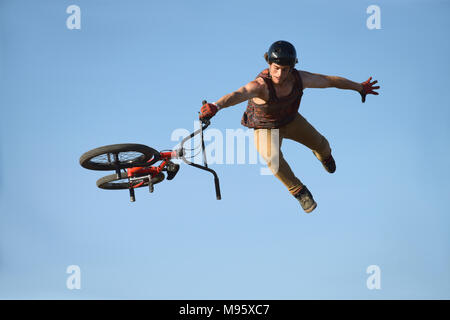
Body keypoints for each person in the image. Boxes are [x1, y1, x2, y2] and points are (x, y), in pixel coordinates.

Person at [199, 40, 380, 213]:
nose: (279, 74)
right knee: (272, 158)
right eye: (276, 68)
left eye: (285, 70)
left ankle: (324, 156)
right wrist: (217, 105)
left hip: (291, 121)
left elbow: (330, 81)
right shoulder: (260, 85)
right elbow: (239, 93)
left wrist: (359, 87)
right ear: (269, 64)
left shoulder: (300, 78)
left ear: (292, 68)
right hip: (266, 127)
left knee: (322, 145)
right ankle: (299, 191)